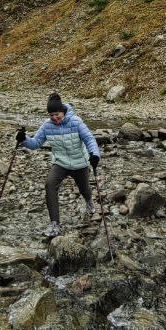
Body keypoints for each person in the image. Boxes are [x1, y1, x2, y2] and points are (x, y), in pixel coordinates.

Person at [16, 93, 101, 238]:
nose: (54, 118)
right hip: (60, 163)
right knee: (50, 184)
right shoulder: (47, 126)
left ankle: (89, 202)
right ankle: (54, 224)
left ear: (63, 111)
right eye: (51, 115)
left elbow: (89, 138)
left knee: (84, 189)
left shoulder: (76, 121)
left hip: (79, 163)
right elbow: (36, 143)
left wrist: (94, 155)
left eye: (57, 114)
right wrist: (23, 139)